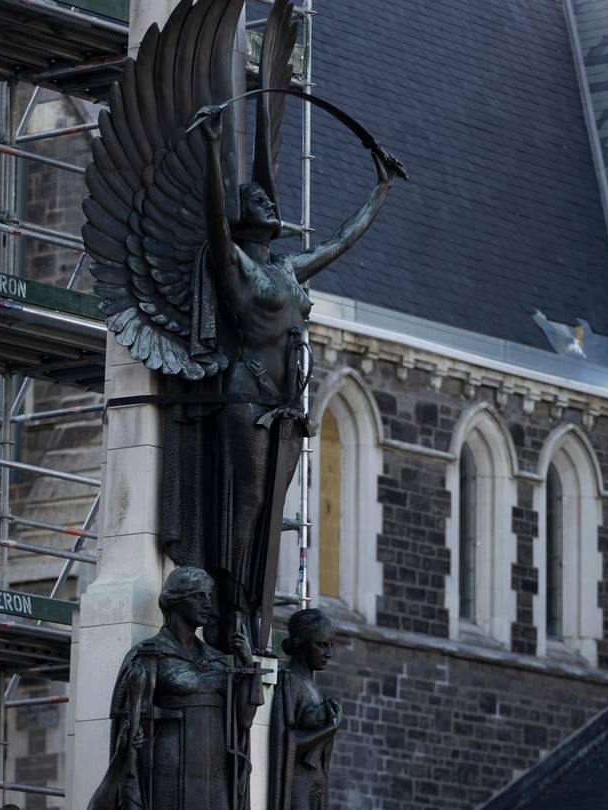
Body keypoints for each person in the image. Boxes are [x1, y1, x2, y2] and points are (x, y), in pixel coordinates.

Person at [187, 105, 398, 653]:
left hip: (284, 409)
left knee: (267, 512)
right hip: (245, 395)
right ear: (241, 216)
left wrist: (380, 189)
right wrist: (211, 148)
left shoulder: (285, 270)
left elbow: (341, 241)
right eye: (257, 199)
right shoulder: (232, 263)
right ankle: (233, 613)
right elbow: (211, 215)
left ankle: (249, 608)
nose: (269, 201)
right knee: (249, 504)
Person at [90, 567, 264, 810]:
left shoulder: (218, 660)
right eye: (197, 596)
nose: (207, 604)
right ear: (175, 601)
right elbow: (130, 723)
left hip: (216, 772)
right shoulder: (151, 654)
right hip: (168, 769)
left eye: (208, 596)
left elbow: (243, 720)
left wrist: (248, 665)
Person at [268, 609, 341, 810]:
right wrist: (329, 729)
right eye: (321, 645)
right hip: (297, 783)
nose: (328, 654)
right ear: (300, 642)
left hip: (316, 781)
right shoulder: (289, 680)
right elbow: (284, 741)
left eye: (331, 645)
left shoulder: (315, 689)